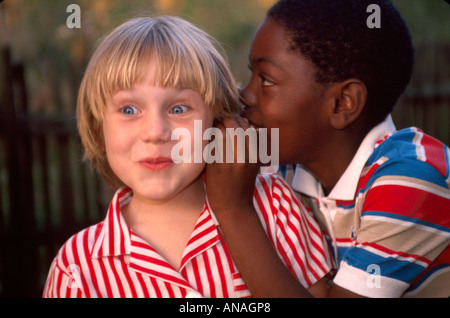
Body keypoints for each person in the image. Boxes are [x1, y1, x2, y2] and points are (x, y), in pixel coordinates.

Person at [42, 15, 332, 298]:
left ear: (218, 123)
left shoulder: (275, 207)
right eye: (129, 110)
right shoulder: (77, 270)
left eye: (178, 109)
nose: (155, 132)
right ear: (99, 130)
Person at [205, 0, 450, 298]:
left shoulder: (413, 177)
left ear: (342, 103)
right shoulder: (282, 171)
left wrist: (234, 210)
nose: (245, 95)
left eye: (266, 80)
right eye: (251, 75)